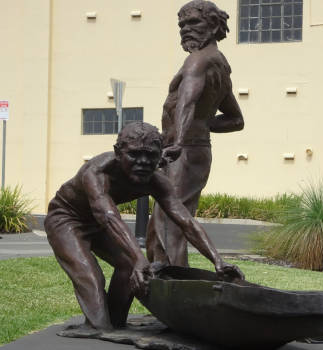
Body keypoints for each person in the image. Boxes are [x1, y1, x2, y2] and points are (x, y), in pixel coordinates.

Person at [44, 122, 243, 332]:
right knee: (91, 276)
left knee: (130, 267)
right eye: (134, 155)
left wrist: (217, 260)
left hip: (99, 222)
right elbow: (109, 217)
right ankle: (98, 327)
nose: (143, 162)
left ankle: (116, 323)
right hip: (67, 218)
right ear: (118, 153)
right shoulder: (96, 173)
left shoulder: (156, 180)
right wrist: (139, 258)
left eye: (150, 155)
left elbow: (186, 222)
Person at [146, 0, 244, 266]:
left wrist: (179, 140)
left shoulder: (197, 62)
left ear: (213, 26)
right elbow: (235, 120)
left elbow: (186, 103)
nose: (185, 29)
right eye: (182, 25)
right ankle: (158, 275)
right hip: (190, 148)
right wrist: (201, 124)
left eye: (193, 23)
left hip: (183, 152)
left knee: (172, 218)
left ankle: (175, 280)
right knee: (163, 218)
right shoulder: (218, 64)